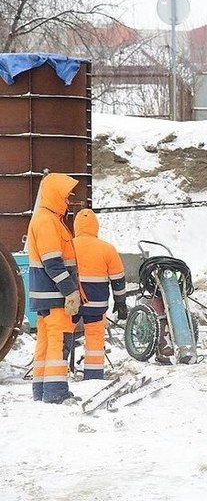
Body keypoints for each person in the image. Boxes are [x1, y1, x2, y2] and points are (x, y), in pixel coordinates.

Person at [27, 173, 80, 403]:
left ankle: (41, 390)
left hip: (45, 297)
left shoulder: (45, 219)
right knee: (59, 343)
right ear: (55, 195)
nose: (68, 201)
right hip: (55, 295)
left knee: (46, 344)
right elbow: (53, 263)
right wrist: (70, 291)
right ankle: (56, 392)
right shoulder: (47, 222)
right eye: (66, 196)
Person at [72, 209, 127, 379]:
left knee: (64, 336)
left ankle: (60, 373)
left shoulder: (68, 245)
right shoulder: (107, 249)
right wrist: (120, 302)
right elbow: (118, 279)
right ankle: (94, 375)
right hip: (97, 304)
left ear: (76, 226)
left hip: (71, 301)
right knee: (95, 338)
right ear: (95, 226)